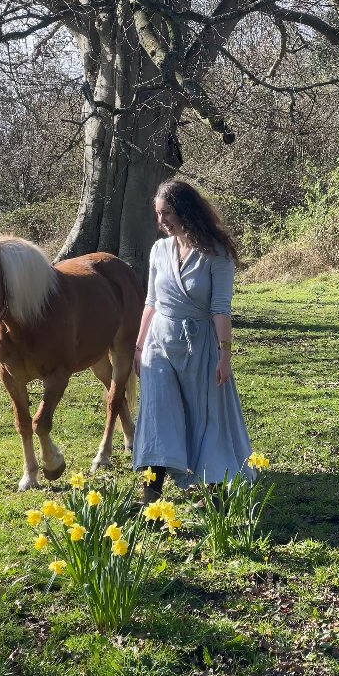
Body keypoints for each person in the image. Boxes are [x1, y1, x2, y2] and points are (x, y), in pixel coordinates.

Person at [132, 179, 254, 501]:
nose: (161, 222)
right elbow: (151, 302)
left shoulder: (218, 254)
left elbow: (220, 309)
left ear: (185, 210)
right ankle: (151, 494)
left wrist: (224, 355)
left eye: (166, 213)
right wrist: (139, 346)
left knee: (205, 416)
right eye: (158, 214)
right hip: (159, 343)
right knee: (157, 415)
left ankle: (213, 489)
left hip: (200, 346)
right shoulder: (159, 250)